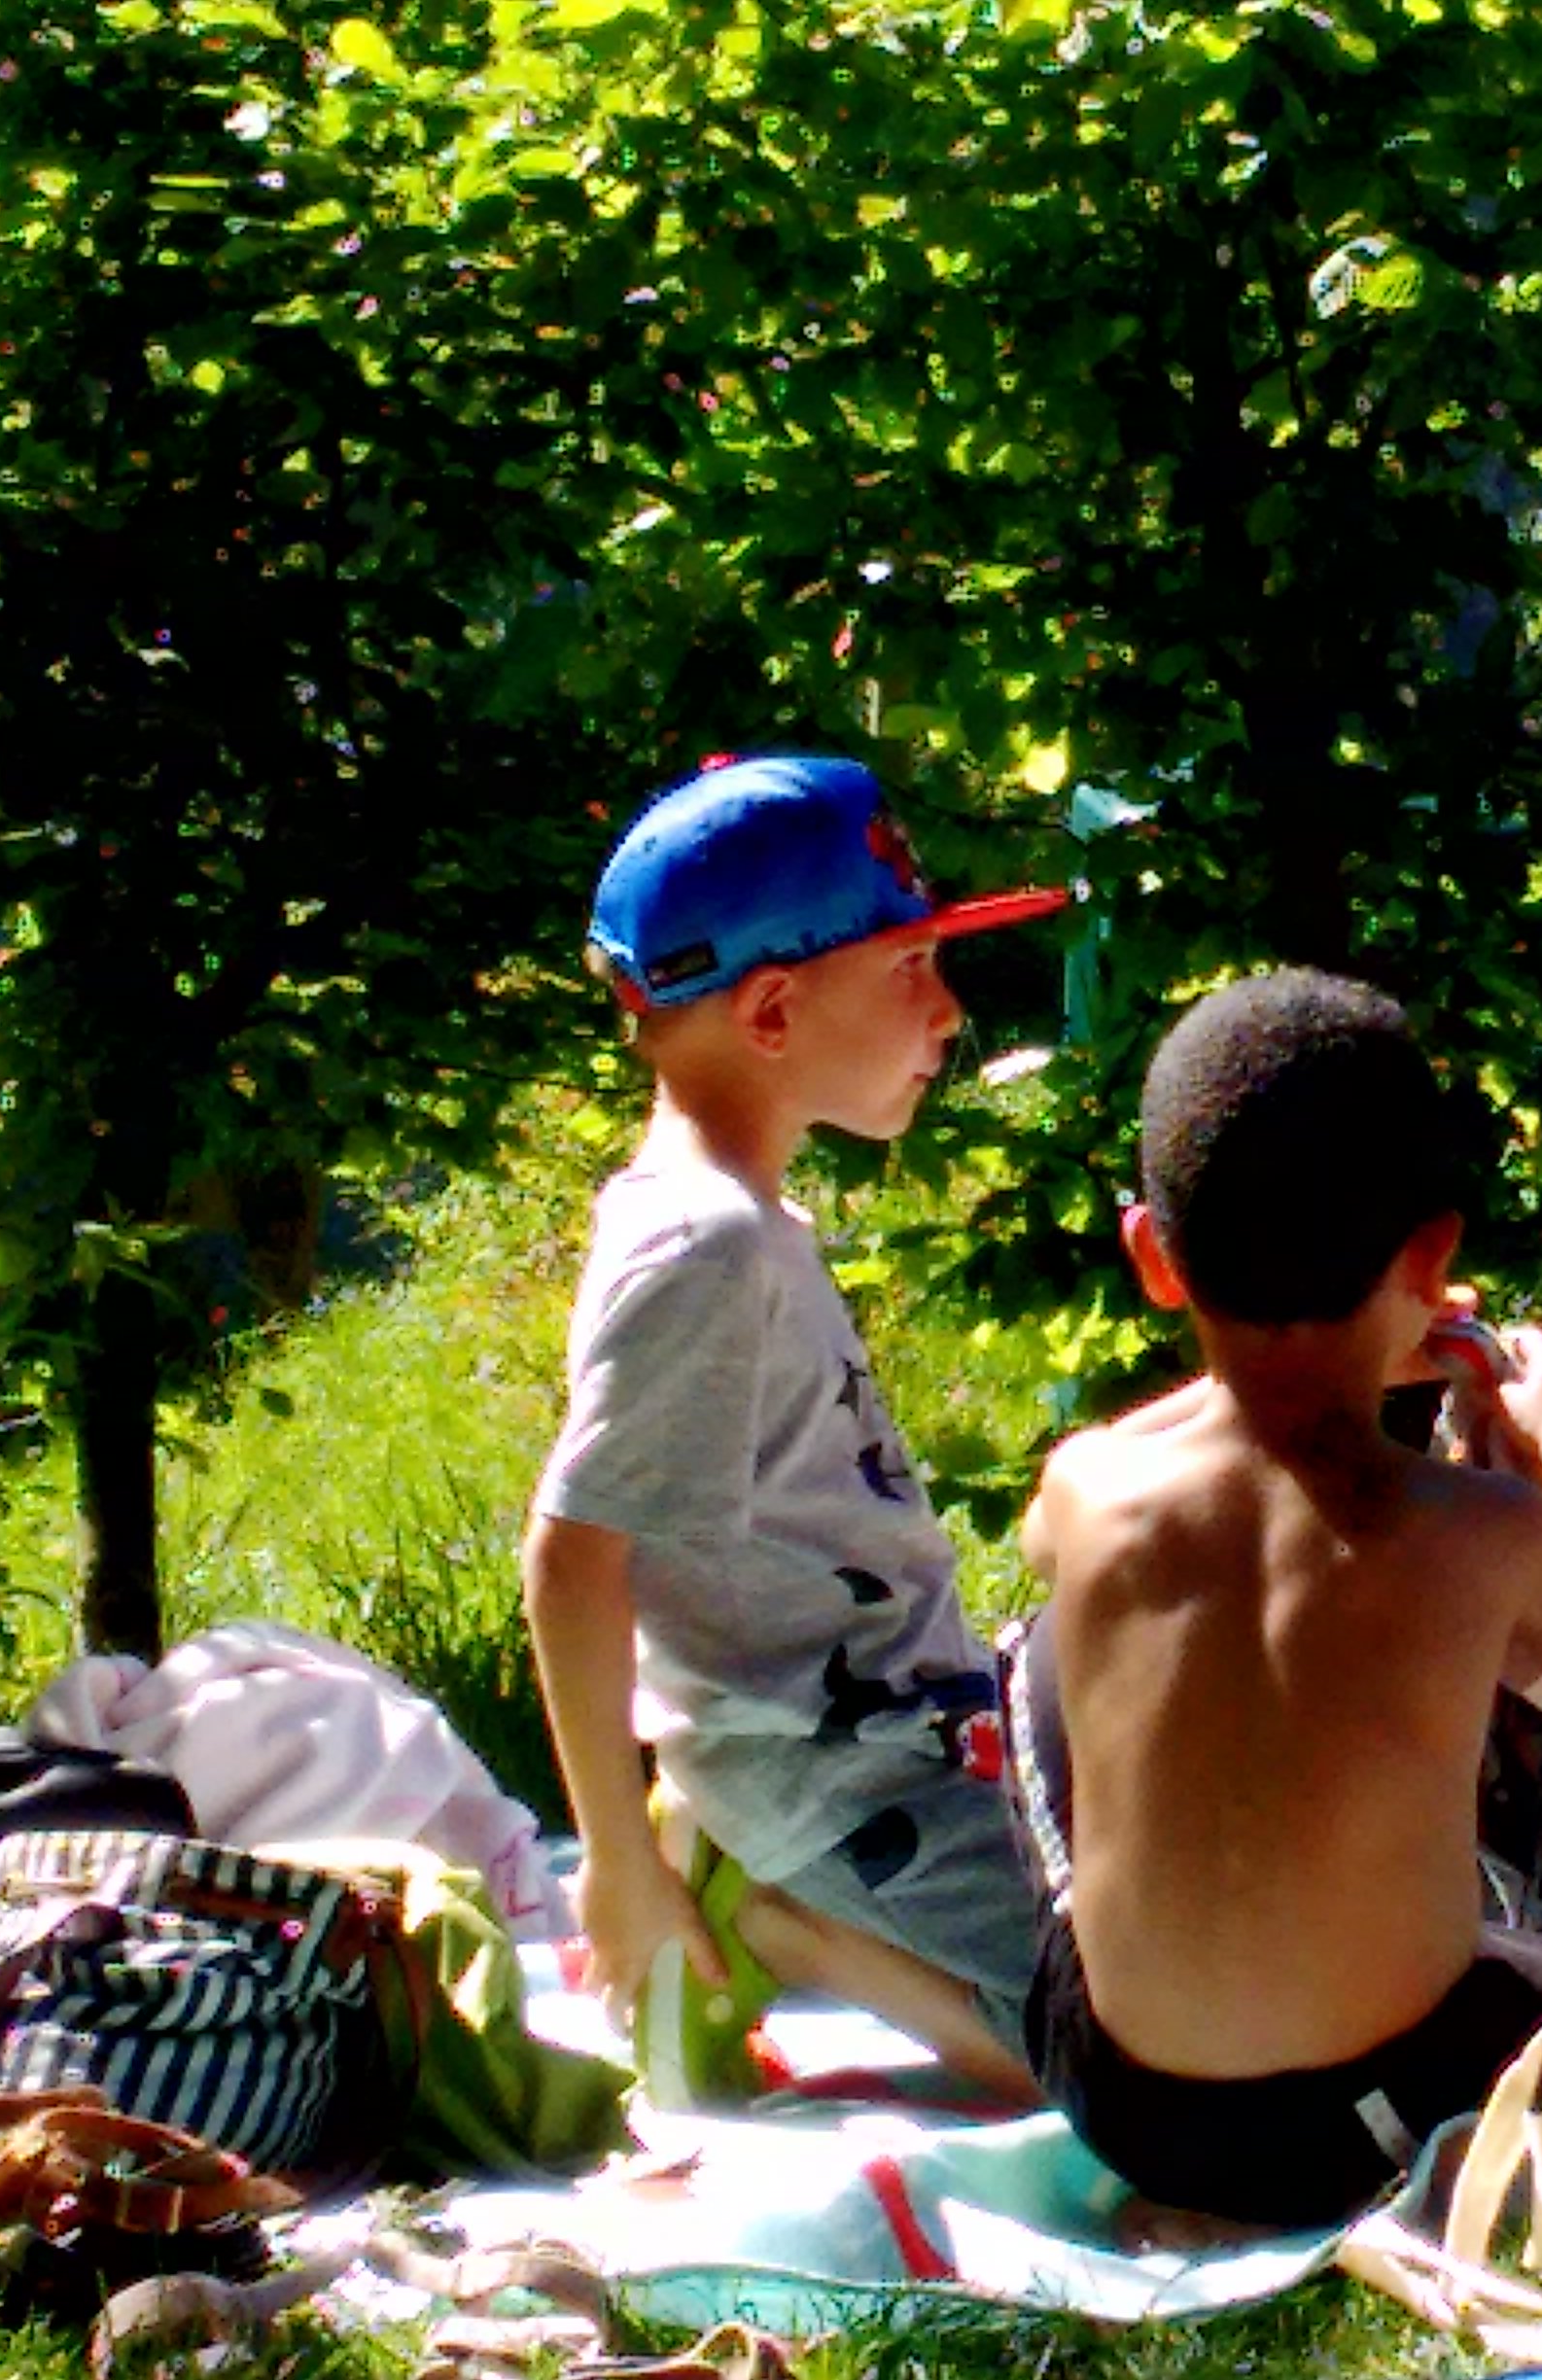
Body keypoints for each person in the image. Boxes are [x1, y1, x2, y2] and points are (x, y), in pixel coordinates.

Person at [1012, 967, 1542, 2229]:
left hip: (1118, 2097)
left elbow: (1146, 1494)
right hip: (1371, 2125)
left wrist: (1277, 1384)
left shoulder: (1084, 1488)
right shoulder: (1483, 1530)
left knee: (1049, 1652)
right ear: (1433, 1258)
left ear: (1152, 1260)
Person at [521, 752, 1065, 2110]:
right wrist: (615, 1862)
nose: (948, 1014)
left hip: (908, 1743)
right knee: (1136, 2070)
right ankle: (785, 1920)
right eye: (911, 970)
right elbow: (573, 1557)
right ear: (771, 1009)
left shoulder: (739, 1222)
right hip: (834, 1780)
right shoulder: (703, 1246)